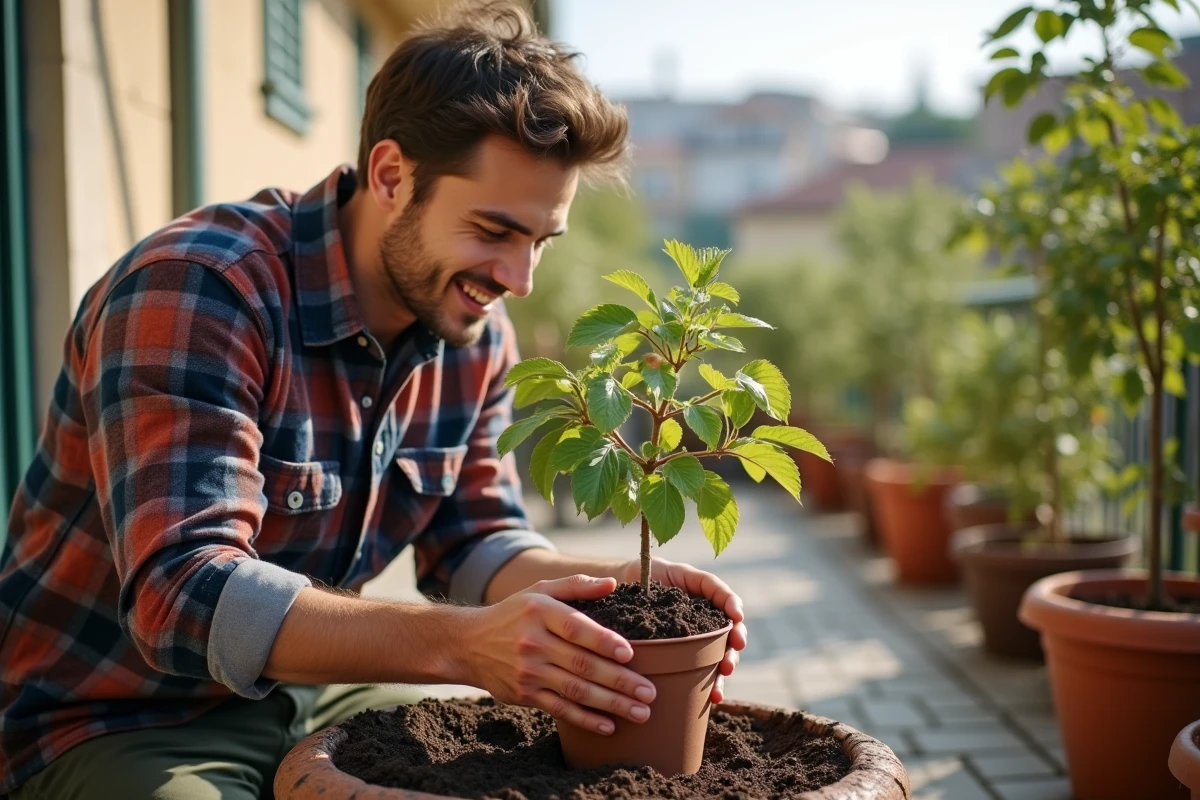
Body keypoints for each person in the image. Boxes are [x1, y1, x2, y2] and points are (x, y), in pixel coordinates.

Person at [0, 2, 747, 797]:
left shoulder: (474, 335)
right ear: (391, 175)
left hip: (311, 694)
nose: (517, 280)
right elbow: (182, 593)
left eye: (539, 241)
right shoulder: (203, 289)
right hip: (115, 718)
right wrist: (463, 646)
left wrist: (614, 592)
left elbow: (474, 541)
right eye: (494, 230)